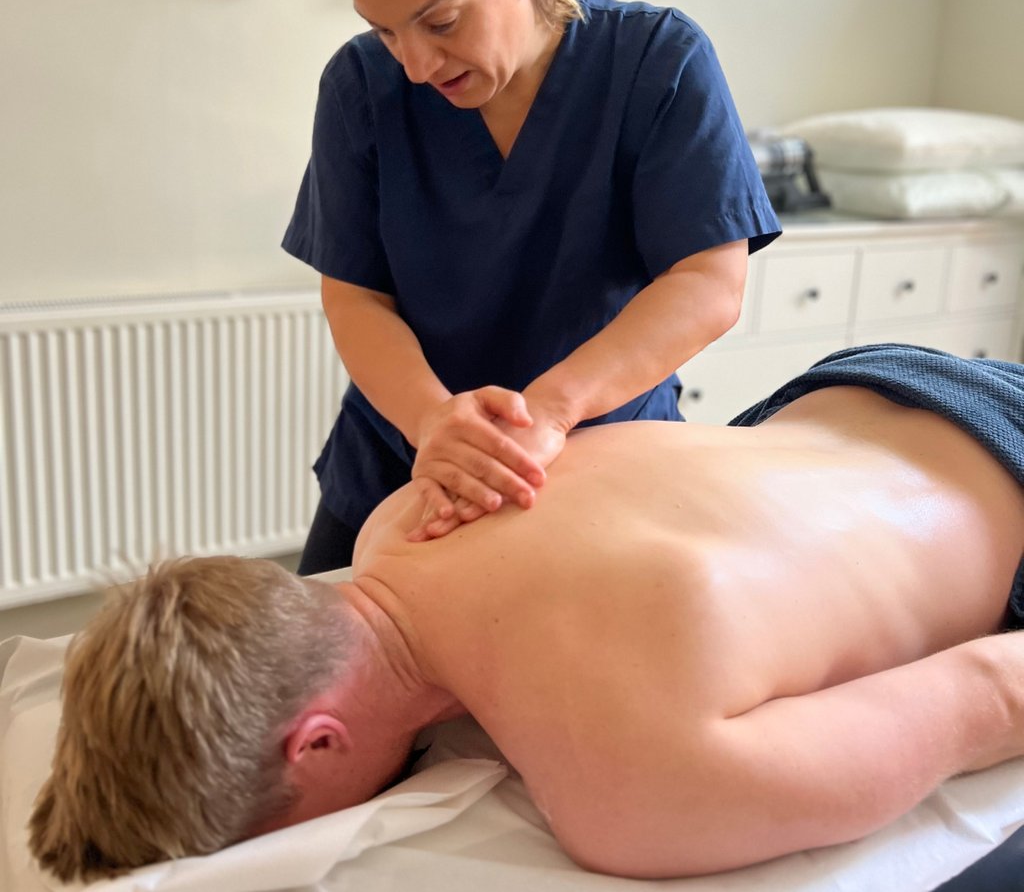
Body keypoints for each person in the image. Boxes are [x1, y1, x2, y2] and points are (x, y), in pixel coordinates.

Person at [29, 343, 1024, 883]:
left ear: (317, 743)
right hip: (865, 385)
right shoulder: (403, 515)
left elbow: (993, 691)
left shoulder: (625, 791)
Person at [281, 0, 780, 569]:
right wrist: (434, 423)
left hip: (597, 461)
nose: (414, 65)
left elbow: (709, 281)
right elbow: (356, 298)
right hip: (403, 462)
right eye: (385, 30)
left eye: (440, 21)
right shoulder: (361, 84)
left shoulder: (657, 62)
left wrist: (551, 411)